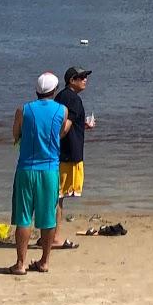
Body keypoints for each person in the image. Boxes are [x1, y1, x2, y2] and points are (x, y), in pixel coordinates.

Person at [10, 73, 71, 275]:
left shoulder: (24, 110)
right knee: (48, 218)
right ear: (54, 91)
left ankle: (20, 264)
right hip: (49, 169)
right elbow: (60, 133)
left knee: (24, 217)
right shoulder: (62, 110)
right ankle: (44, 261)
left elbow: (15, 134)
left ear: (37, 90)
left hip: (26, 168)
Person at [56, 67, 94, 213]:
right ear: (72, 80)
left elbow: (61, 122)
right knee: (58, 197)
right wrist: (54, 142)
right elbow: (64, 128)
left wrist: (81, 125)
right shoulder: (74, 99)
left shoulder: (60, 96)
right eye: (82, 76)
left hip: (60, 153)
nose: (85, 79)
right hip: (69, 155)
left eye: (86, 76)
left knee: (57, 196)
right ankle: (54, 235)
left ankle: (51, 235)